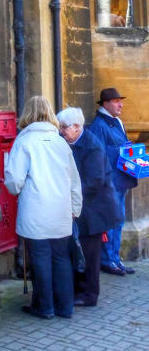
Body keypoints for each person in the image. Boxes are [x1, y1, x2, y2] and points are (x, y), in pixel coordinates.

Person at [4, 95, 82, 319]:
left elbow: (14, 181)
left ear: (27, 114)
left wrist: (16, 189)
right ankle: (65, 307)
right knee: (61, 258)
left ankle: (44, 307)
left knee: (39, 258)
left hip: (35, 210)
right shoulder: (61, 142)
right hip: (61, 211)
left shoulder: (24, 141)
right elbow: (74, 180)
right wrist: (75, 209)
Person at [57, 107, 121, 307]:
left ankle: (89, 295)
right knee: (79, 252)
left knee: (90, 255)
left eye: (64, 128)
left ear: (77, 127)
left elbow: (94, 182)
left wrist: (69, 196)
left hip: (95, 210)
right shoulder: (69, 142)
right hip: (82, 208)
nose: (61, 131)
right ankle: (79, 290)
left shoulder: (92, 146)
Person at [87, 88, 136, 275]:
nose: (121, 104)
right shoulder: (99, 125)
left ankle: (115, 258)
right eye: (116, 101)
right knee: (110, 222)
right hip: (109, 184)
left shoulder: (118, 122)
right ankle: (107, 260)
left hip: (121, 181)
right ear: (106, 104)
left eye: (120, 101)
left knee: (119, 221)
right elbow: (96, 157)